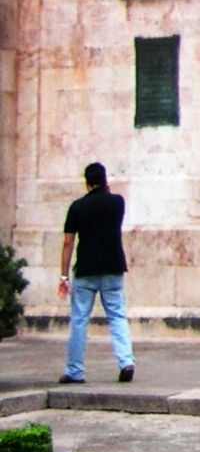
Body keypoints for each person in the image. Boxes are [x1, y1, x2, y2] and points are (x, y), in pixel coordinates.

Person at [56, 163, 135, 385]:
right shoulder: (117, 203)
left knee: (79, 320)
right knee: (117, 315)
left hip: (86, 270)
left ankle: (75, 370)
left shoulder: (77, 207)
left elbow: (68, 242)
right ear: (105, 180)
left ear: (87, 182)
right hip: (113, 266)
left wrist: (64, 275)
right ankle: (126, 361)